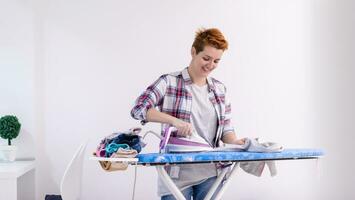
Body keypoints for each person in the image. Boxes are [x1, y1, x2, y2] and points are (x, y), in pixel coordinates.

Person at [130, 28, 245, 200]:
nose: (210, 65)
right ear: (193, 51)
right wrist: (174, 121)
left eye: (216, 61)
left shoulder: (219, 89)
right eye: (206, 58)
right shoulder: (169, 82)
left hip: (212, 174)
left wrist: (239, 143)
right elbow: (139, 109)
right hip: (176, 175)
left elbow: (226, 130)